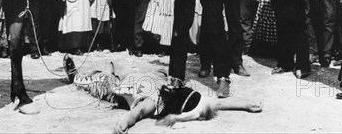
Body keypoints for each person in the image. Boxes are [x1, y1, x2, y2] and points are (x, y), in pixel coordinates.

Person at [62, 54, 262, 134]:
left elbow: (136, 114)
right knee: (153, 73)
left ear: (173, 97)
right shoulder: (171, 88)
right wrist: (245, 104)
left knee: (99, 80)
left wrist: (123, 123)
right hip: (144, 77)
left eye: (177, 89)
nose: (177, 85)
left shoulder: (152, 103)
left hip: (121, 88)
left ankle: (76, 77)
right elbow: (217, 104)